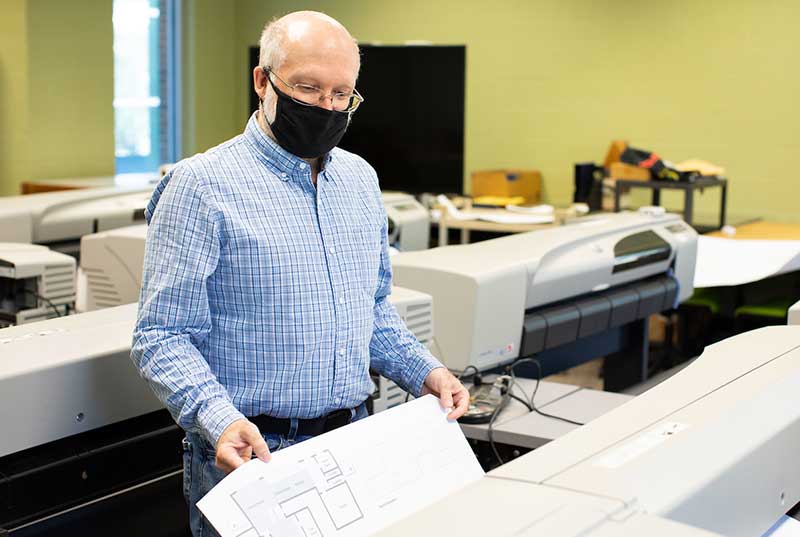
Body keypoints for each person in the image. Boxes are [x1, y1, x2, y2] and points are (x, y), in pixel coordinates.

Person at [130, 10, 469, 536]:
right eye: (308, 89)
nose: (326, 107)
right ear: (263, 81)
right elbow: (161, 335)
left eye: (341, 95)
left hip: (353, 444)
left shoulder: (359, 180)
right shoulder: (201, 186)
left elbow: (372, 308)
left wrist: (425, 370)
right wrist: (217, 421)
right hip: (256, 457)